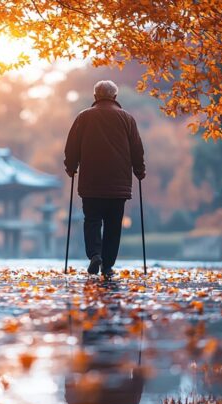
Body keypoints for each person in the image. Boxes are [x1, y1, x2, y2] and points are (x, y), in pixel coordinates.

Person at [64, 80, 146, 277]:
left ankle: (94, 255)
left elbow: (72, 146)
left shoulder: (84, 117)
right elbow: (137, 148)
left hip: (91, 183)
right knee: (113, 225)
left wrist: (71, 167)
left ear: (95, 97)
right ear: (115, 97)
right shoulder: (127, 119)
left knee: (91, 220)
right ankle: (107, 265)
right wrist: (139, 170)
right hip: (119, 185)